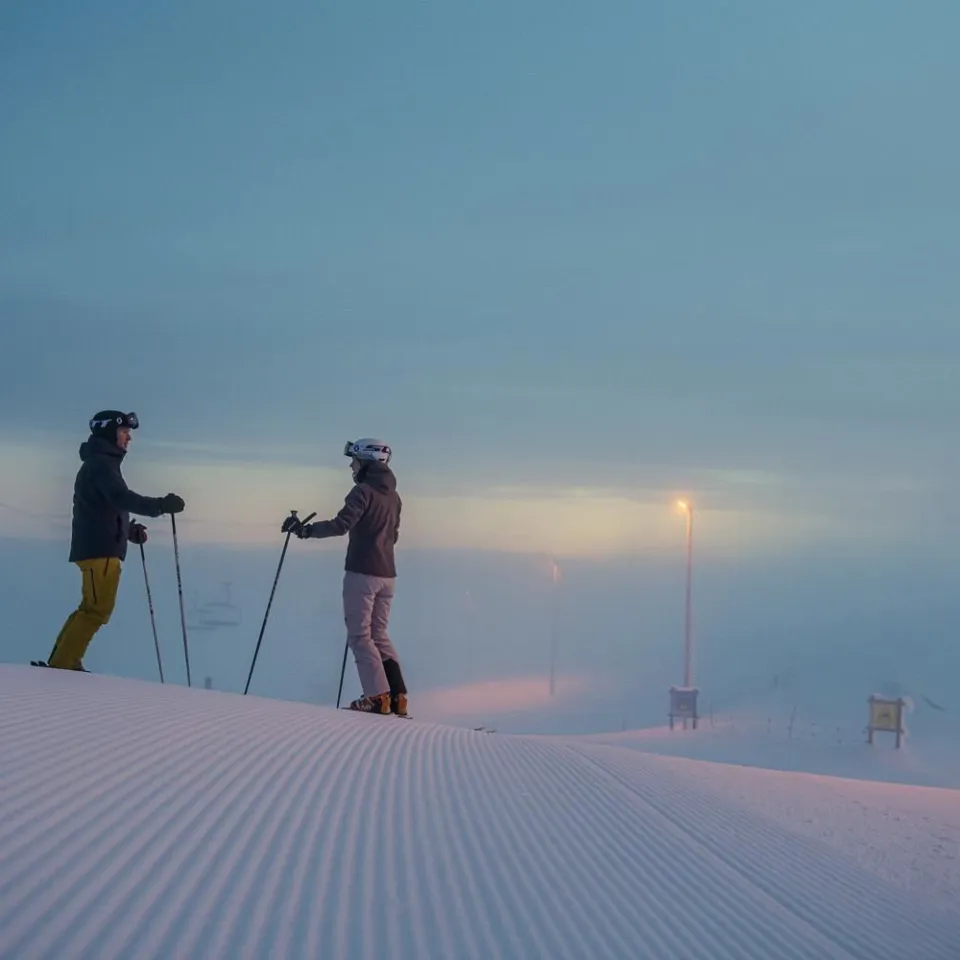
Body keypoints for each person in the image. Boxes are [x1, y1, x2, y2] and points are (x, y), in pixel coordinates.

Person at [37, 411, 186, 672]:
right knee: (96, 610)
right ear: (109, 433)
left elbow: (102, 509)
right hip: (100, 551)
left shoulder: (100, 464)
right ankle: (64, 664)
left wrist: (127, 530)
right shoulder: (101, 465)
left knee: (90, 608)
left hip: (99, 547)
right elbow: (121, 498)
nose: (129, 438)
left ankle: (63, 660)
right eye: (124, 432)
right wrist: (160, 505)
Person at [286, 438, 407, 716]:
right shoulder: (394, 497)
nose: (351, 466)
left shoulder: (362, 491)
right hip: (388, 575)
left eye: (354, 460)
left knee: (360, 636)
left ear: (366, 461)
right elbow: (394, 536)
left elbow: (341, 525)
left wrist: (306, 531)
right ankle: (398, 697)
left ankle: (377, 698)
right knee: (379, 634)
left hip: (362, 573)